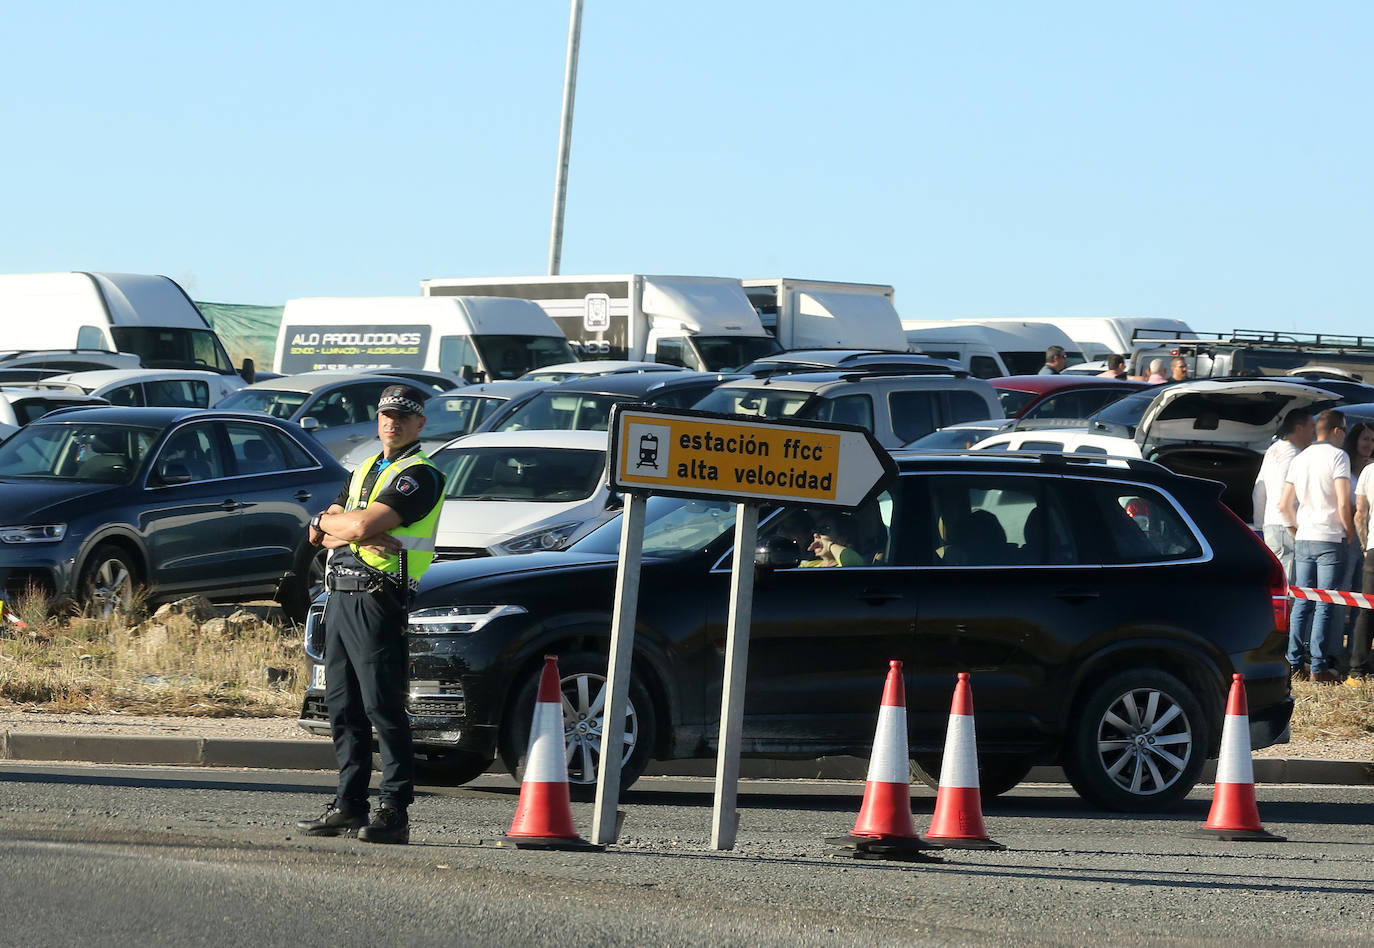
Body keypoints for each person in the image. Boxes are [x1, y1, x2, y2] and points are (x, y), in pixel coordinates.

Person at [296, 385, 447, 844]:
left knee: (383, 705)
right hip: (338, 595)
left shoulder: (419, 475)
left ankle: (394, 810)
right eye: (385, 415)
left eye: (403, 416)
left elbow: (357, 524)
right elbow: (318, 531)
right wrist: (333, 526)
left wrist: (345, 528)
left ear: (420, 424)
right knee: (342, 707)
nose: (392, 422)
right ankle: (349, 804)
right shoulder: (366, 468)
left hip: (378, 598)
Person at [1281, 409, 1354, 684]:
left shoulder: (1300, 458)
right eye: (1344, 431)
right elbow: (1343, 501)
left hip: (1304, 536)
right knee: (1324, 603)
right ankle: (1318, 666)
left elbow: (1285, 504)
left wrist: (1298, 528)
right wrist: (1348, 532)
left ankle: (1294, 662)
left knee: (1302, 602)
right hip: (1329, 536)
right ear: (1337, 431)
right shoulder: (1339, 456)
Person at [1252, 408, 1316, 581]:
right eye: (1312, 427)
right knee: (1288, 584)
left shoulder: (1273, 450)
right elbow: (1284, 497)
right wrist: (1294, 528)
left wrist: (1260, 524)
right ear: (1299, 428)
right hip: (1286, 527)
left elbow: (1259, 489)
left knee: (1276, 581)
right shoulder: (1293, 455)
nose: (1314, 432)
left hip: (1271, 526)